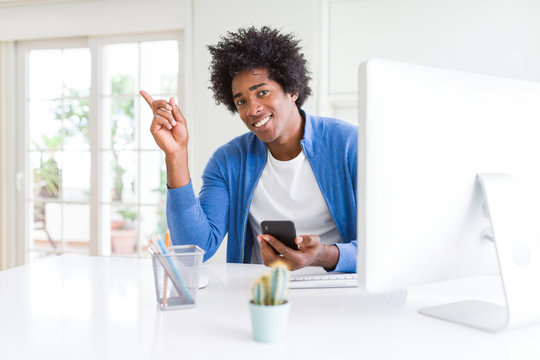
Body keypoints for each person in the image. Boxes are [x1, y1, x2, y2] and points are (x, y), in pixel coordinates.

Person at [140, 26, 357, 272]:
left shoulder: (349, 145)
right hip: (261, 295)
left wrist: (323, 255)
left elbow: (381, 247)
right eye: (241, 101)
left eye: (263, 92)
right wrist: (176, 155)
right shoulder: (229, 161)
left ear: (292, 89)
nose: (252, 110)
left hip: (337, 293)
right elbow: (195, 248)